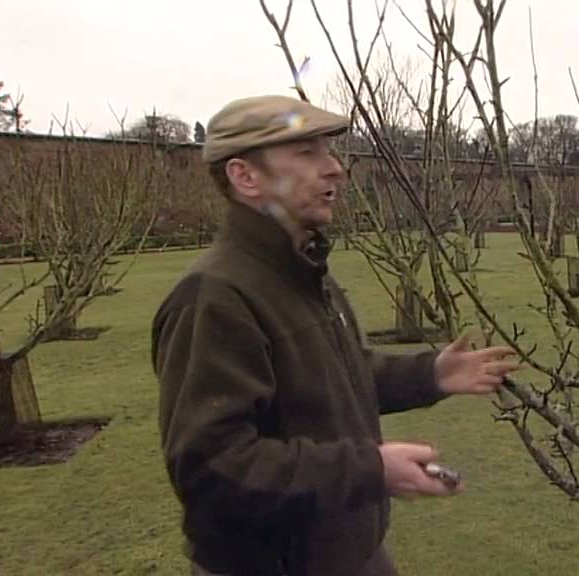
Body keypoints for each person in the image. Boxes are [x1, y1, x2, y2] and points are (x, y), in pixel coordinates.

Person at [151, 95, 519, 576]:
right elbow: (213, 468)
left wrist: (431, 374)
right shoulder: (215, 297)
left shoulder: (303, 272)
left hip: (349, 553)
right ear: (245, 177)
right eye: (307, 153)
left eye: (328, 151)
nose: (335, 168)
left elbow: (338, 373)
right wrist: (371, 469)